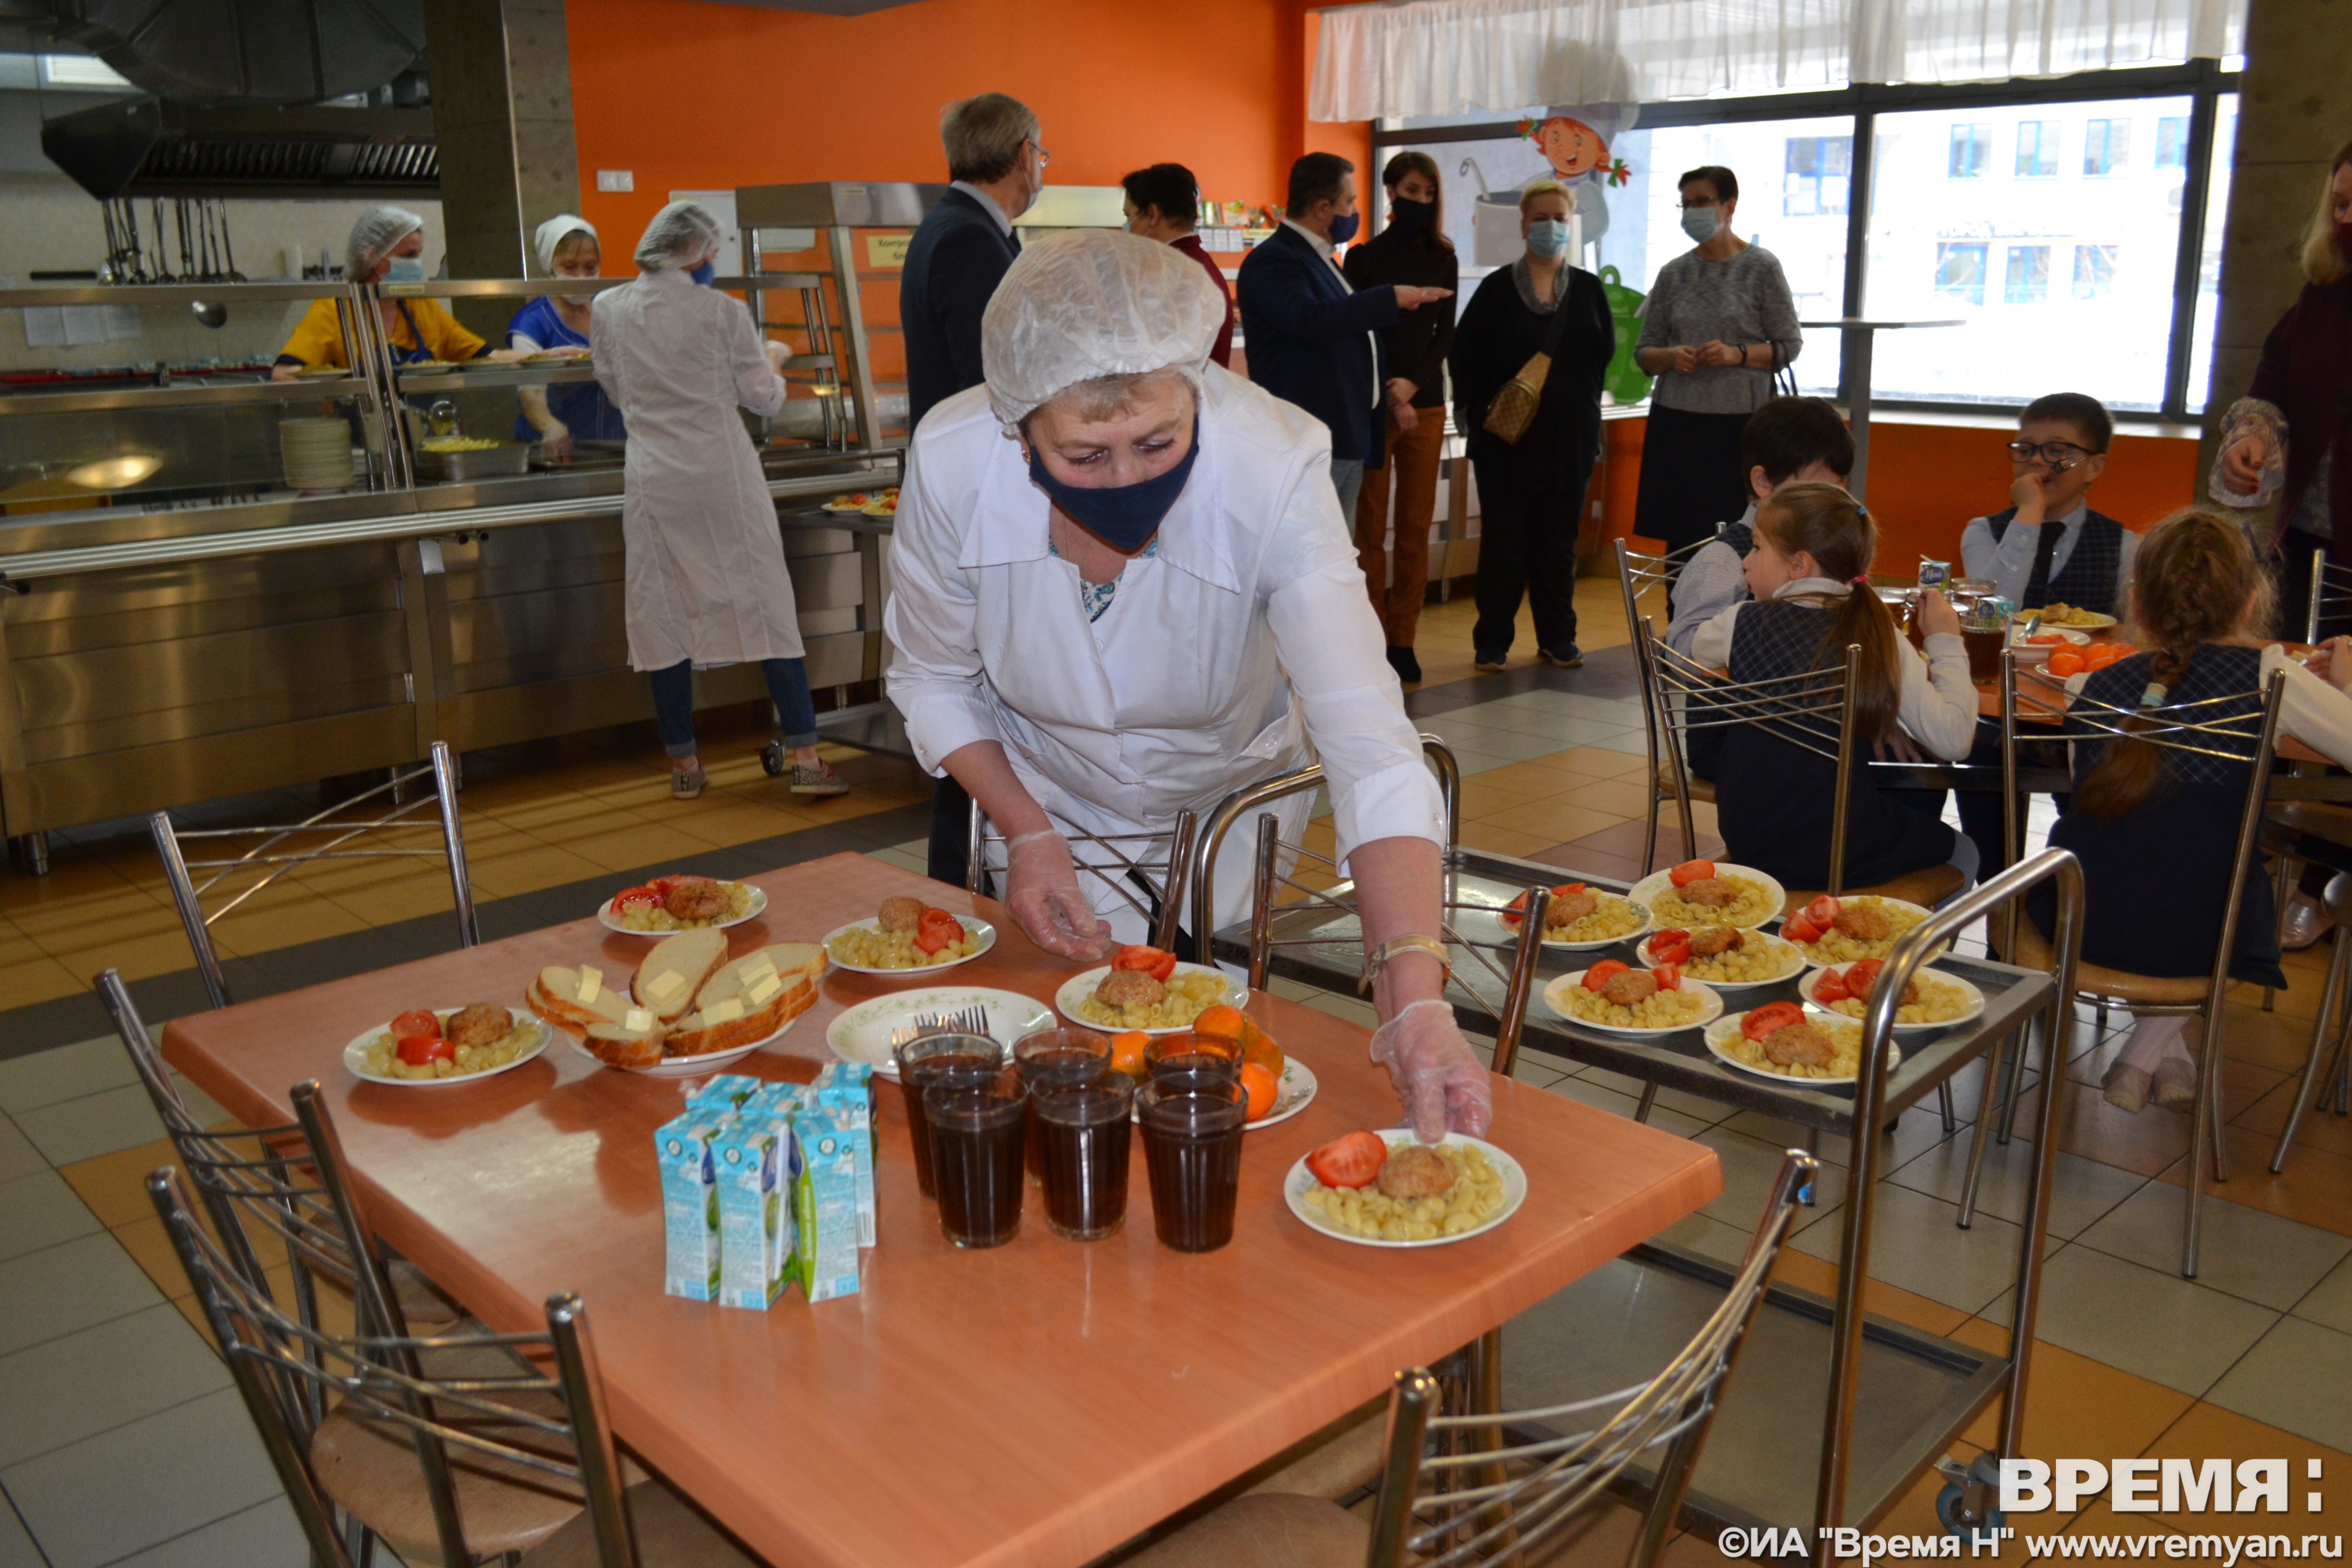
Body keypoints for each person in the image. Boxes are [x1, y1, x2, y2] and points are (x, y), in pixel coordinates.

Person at [886, 229, 1489, 1141]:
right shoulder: (953, 456)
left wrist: (1412, 991)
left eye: (1157, 441)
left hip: (1226, 806)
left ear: (1195, 396)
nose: (1124, 477)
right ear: (1017, 434)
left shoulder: (1273, 464)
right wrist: (1027, 830)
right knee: (1061, 1074)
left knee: (1200, 1065)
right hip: (1047, 798)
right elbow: (931, 675)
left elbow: (1368, 744)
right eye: (1085, 456)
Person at [2016, 511, 2352, 1113]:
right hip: (2205, 936)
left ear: (2136, 603)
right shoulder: (2269, 676)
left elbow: (2101, 808)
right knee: (2212, 876)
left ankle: (2152, 1057)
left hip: (2080, 922)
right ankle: (2146, 1057)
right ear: (2251, 603)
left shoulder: (2087, 688)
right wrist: (2345, 688)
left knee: (2151, 857)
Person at [591, 201, 849, 802]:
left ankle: (685, 766)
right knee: (764, 605)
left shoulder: (609, 308)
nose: (711, 262)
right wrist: (777, 359)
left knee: (663, 612)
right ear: (698, 253)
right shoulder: (722, 311)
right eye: (710, 254)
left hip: (654, 478)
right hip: (723, 477)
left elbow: (614, 384)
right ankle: (807, 758)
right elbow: (764, 400)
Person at [1689, 483, 1978, 891]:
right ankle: (1904, 948)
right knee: (1964, 848)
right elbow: (1955, 741)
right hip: (1839, 851)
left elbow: (1699, 650)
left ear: (1799, 565)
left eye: (1756, 549)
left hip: (1747, 840)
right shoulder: (1880, 636)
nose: (1745, 564)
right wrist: (1945, 641)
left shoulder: (1740, 621)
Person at [903, 91, 1044, 887]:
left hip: (968, 495)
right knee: (968, 695)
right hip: (978, 503)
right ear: (1024, 152)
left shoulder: (956, 229)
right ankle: (964, 885)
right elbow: (993, 386)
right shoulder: (966, 241)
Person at [1447, 180, 1612, 673]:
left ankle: (1558, 636)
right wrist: (1477, 421)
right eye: (1540, 218)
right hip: (1507, 446)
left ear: (1571, 223)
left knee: (1559, 544)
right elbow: (1465, 358)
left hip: (1570, 442)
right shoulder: (1497, 290)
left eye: (1559, 218)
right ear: (1523, 225)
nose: (1550, 227)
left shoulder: (1588, 289)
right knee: (1504, 542)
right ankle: (1492, 639)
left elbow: (1602, 356)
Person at [1236, 152, 1453, 520]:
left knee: (1338, 556)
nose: (1355, 211)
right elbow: (1310, 319)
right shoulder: (1275, 260)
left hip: (1345, 434)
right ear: (1323, 208)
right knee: (1314, 558)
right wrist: (1390, 297)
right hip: (1310, 439)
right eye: (1349, 202)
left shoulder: (1321, 258)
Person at [2212, 138, 2352, 642]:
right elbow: (2272, 385)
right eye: (2340, 204)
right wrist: (2254, 433)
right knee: (2293, 689)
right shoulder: (2323, 294)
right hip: (2309, 548)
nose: (2347, 219)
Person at [1630, 167, 1804, 555]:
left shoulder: (1761, 267)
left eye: (1702, 202)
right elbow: (1645, 353)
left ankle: (1737, 619)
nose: (1692, 211)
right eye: (1686, 204)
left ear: (1730, 206)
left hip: (1740, 430)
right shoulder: (1673, 273)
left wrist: (1735, 353)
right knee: (1682, 542)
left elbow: (1788, 345)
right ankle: (1681, 616)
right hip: (1678, 424)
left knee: (1742, 541)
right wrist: (1670, 357)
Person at [1343, 152, 1458, 684]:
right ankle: (1367, 633)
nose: (1421, 201)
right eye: (1412, 191)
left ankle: (1403, 639)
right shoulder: (1364, 256)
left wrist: (1412, 386)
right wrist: (1392, 393)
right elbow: (1358, 330)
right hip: (1373, 404)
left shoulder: (1444, 256)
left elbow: (1446, 334)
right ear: (1390, 191)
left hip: (1428, 402)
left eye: (1429, 194)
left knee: (1415, 526)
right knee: (1369, 529)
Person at [1665, 395, 1855, 658]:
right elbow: (1681, 654)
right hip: (1738, 697)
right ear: (1763, 482)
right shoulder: (1722, 565)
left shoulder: (1822, 548)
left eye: (1837, 488)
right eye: (1813, 490)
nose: (1827, 503)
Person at [904, 92, 1042, 432]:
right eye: (1041, 154)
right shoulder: (970, 241)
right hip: (974, 461)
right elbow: (990, 376)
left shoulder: (954, 222)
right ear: (1025, 154)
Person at [272, 207, 508, 376]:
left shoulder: (421, 307)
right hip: (356, 439)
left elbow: (489, 357)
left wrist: (542, 357)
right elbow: (283, 374)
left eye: (419, 254)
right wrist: (344, 382)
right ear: (373, 256)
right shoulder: (335, 309)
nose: (417, 263)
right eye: (408, 256)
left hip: (417, 437)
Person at [1960, 394, 2136, 618]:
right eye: (2026, 450)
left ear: (2094, 467)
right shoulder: (1984, 532)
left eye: (2055, 451)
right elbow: (1991, 614)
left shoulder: (2124, 544)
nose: (2036, 461)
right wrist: (2030, 511)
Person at [506, 214, 625, 461]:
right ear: (551, 266)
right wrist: (551, 427)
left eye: (591, 267)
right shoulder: (532, 323)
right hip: (556, 451)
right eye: (570, 268)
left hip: (613, 446)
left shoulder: (610, 311)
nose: (582, 277)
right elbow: (531, 394)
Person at [1121, 163, 1233, 369]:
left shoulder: (1168, 272)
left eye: (1129, 216)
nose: (1127, 227)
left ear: (1153, 215)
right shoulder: (1201, 262)